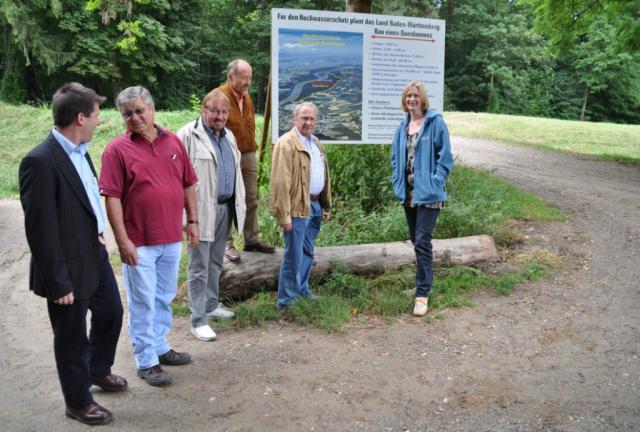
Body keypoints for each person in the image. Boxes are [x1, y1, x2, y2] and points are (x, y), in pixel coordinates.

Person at [19, 83, 126, 426]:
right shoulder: (40, 161)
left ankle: (97, 369)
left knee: (111, 312)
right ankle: (78, 402)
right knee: (71, 337)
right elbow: (41, 230)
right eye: (96, 115)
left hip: (94, 252)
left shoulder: (81, 151)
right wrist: (57, 282)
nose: (99, 121)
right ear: (80, 118)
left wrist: (97, 233)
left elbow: (83, 201)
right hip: (65, 267)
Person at [99, 86, 199, 386]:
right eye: (127, 114)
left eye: (139, 111)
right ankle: (146, 361)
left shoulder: (173, 141)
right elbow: (112, 197)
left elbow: (188, 183)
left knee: (164, 296)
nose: (134, 117)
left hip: (171, 235)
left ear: (152, 109)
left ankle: (160, 346)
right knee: (142, 301)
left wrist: (193, 221)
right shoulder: (117, 150)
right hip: (138, 241)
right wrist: (122, 240)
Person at [177, 90, 246, 340]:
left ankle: (211, 304)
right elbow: (176, 177)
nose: (220, 116)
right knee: (198, 265)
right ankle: (198, 320)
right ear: (203, 110)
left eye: (224, 111)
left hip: (225, 208)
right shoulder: (187, 135)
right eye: (214, 111)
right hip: (200, 210)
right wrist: (185, 216)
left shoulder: (229, 136)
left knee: (215, 262)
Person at [391, 81, 453, 317]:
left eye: (415, 96)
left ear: (422, 98)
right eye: (408, 96)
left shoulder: (435, 123)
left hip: (429, 194)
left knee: (422, 240)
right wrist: (397, 181)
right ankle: (422, 282)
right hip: (409, 194)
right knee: (416, 241)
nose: (412, 100)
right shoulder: (402, 126)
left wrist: (436, 181)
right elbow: (395, 158)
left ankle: (422, 294)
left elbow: (445, 157)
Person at [271, 102, 332, 310]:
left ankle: (302, 291)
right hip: (296, 208)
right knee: (293, 256)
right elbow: (280, 182)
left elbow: (323, 174)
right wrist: (284, 214)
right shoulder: (286, 143)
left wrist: (325, 205)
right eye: (304, 118)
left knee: (307, 252)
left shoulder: (315, 142)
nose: (308, 122)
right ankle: (286, 302)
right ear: (295, 119)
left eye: (312, 118)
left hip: (314, 206)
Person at [215, 58, 275, 262]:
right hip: (226, 154)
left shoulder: (246, 98)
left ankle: (251, 239)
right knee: (226, 199)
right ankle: (226, 243)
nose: (247, 82)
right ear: (230, 77)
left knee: (250, 197)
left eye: (249, 77)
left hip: (248, 153)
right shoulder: (218, 96)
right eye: (243, 77)